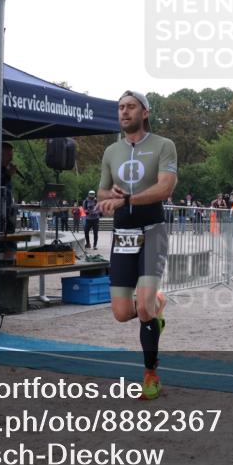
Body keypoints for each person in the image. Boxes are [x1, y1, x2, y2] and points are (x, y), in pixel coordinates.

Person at [96, 90, 176, 401]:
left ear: (145, 113)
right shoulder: (111, 151)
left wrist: (128, 199)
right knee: (121, 312)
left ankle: (150, 375)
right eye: (120, 108)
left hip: (152, 229)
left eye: (130, 107)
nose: (123, 112)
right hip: (123, 234)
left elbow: (165, 188)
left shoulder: (163, 145)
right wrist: (110, 198)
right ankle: (157, 304)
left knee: (143, 308)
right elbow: (101, 192)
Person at [0, 141, 20, 260]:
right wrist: (8, 175)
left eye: (12, 156)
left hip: (8, 213)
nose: (11, 160)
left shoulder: (5, 171)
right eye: (9, 156)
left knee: (11, 244)